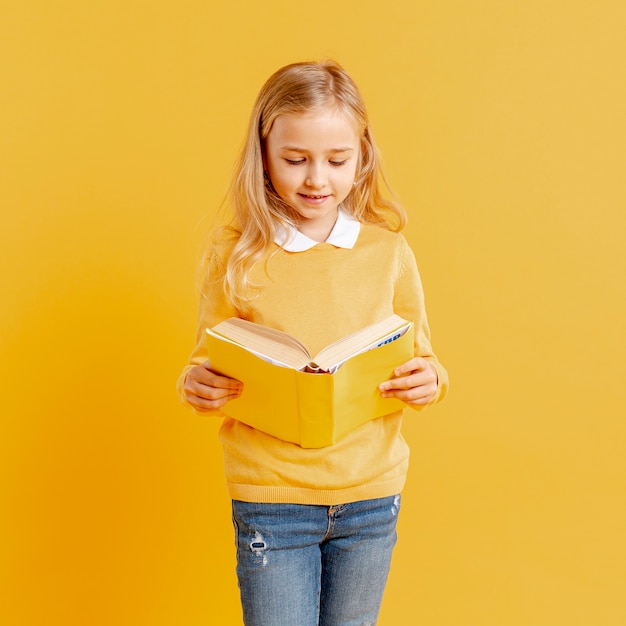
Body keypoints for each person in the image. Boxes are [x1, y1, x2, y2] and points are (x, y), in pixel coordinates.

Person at [177, 60, 448, 626]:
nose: (316, 179)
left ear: (363, 156)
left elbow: (421, 358)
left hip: (371, 497)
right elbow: (207, 361)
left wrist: (431, 380)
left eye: (337, 160)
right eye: (295, 160)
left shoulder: (387, 252)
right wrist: (196, 383)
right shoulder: (233, 255)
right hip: (272, 502)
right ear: (264, 154)